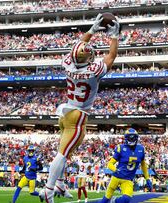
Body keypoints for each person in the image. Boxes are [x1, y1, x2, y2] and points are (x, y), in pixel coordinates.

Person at [43, 13, 120, 203]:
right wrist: (114, 35)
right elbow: (112, 56)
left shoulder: (68, 64)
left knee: (67, 150)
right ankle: (48, 189)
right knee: (62, 154)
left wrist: (91, 30)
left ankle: (60, 182)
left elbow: (75, 49)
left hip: (65, 112)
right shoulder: (93, 71)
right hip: (78, 116)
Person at [100, 128, 152, 203]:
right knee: (105, 200)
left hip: (128, 179)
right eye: (130, 137)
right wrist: (116, 170)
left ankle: (114, 201)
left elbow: (143, 165)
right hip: (116, 177)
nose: (131, 139)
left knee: (126, 199)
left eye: (133, 137)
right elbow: (110, 164)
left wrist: (147, 178)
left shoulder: (141, 149)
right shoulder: (120, 148)